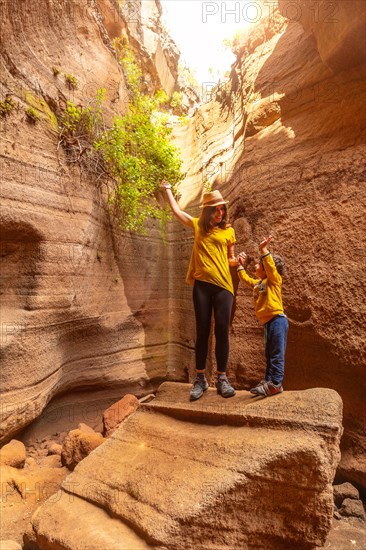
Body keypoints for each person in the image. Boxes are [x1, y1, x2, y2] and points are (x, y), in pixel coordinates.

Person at [161, 180, 237, 401]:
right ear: (208, 211)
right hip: (202, 287)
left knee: (222, 331)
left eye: (223, 209)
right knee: (202, 331)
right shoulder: (197, 226)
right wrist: (167, 190)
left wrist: (237, 261)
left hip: (224, 286)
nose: (221, 212)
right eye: (217, 209)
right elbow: (177, 212)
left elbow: (230, 259)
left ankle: (222, 378)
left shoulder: (228, 232)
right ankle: (200, 379)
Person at [237, 236, 288, 396]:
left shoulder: (274, 280)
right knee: (269, 354)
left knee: (276, 354)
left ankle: (275, 383)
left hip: (278, 321)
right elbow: (246, 279)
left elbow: (271, 267)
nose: (256, 266)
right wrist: (240, 266)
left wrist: (263, 250)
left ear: (266, 268)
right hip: (268, 324)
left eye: (260, 264)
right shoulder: (259, 284)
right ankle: (268, 380)